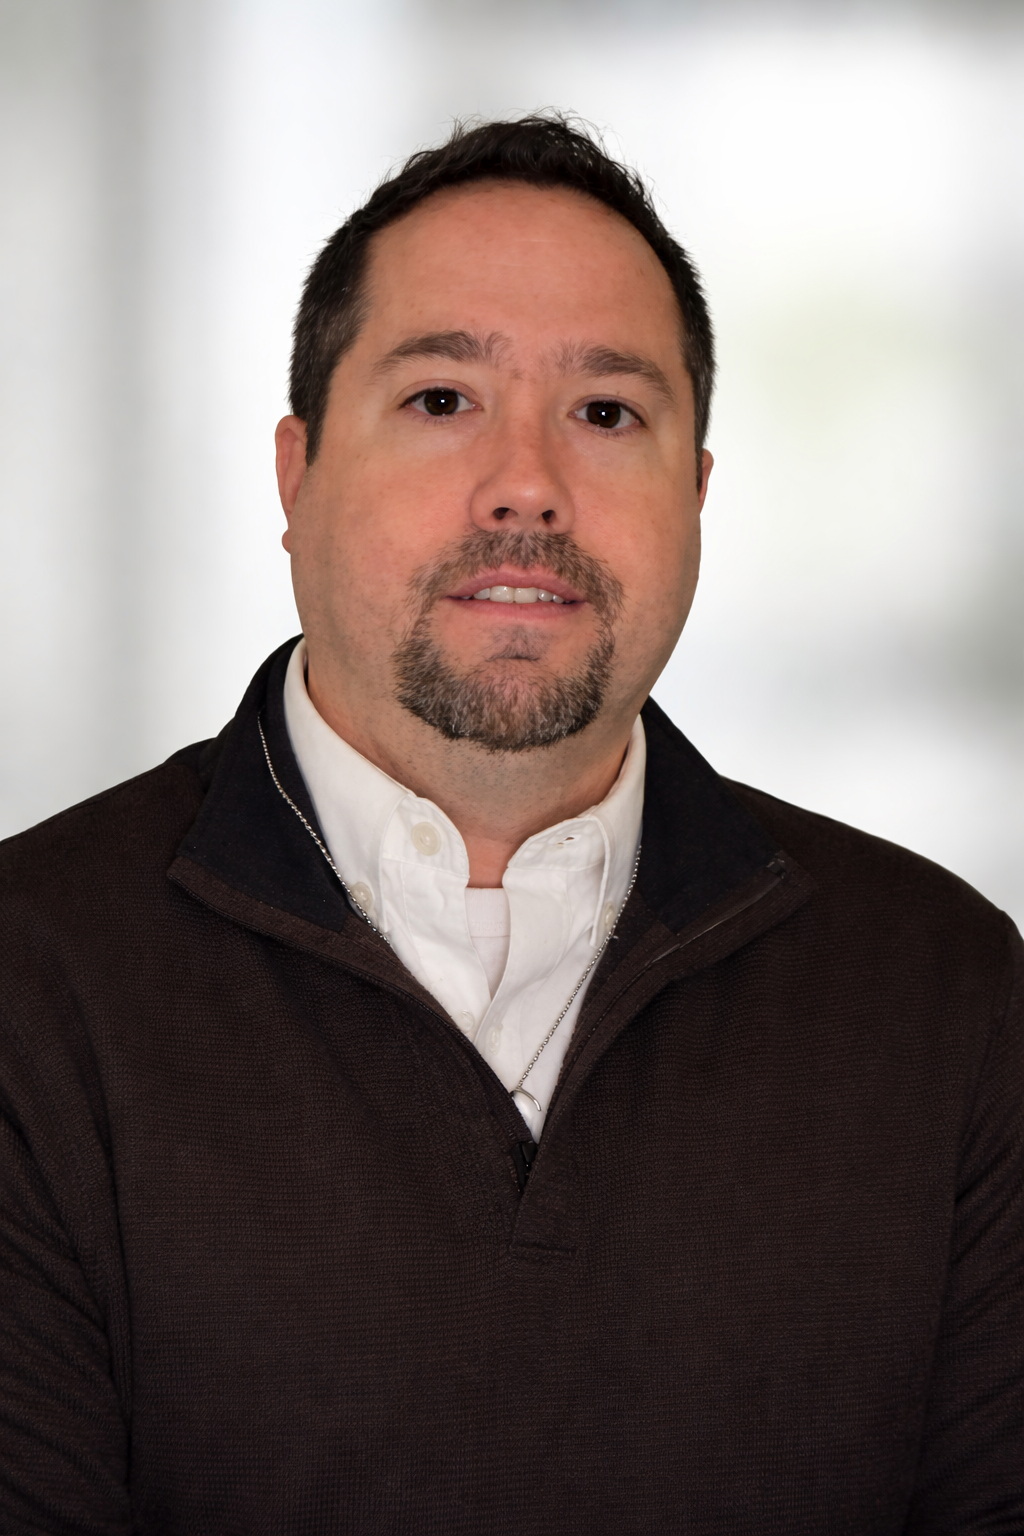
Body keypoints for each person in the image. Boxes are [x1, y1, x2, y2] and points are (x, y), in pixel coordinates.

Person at [0, 115, 1020, 1534]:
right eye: (441, 400)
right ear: (295, 477)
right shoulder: (31, 981)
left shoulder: (950, 995)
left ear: (699, 498)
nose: (528, 482)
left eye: (608, 414)